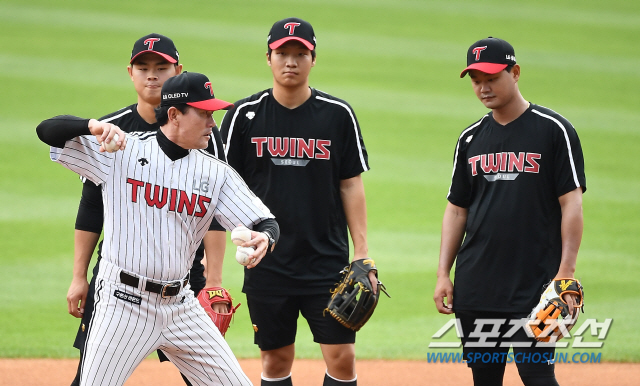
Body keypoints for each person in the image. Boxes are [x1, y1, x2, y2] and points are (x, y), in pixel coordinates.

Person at [37, 70, 279, 386]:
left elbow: (264, 221)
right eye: (205, 113)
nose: (212, 122)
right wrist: (91, 126)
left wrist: (265, 237)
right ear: (175, 114)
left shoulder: (216, 173)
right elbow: (47, 131)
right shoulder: (121, 151)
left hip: (182, 308)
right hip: (123, 304)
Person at [57, 33, 228, 386]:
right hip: (118, 277)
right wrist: (78, 276)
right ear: (130, 73)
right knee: (89, 375)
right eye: (143, 67)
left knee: (205, 374)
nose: (152, 75)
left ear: (177, 71)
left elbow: (215, 211)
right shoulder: (111, 128)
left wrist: (212, 282)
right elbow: (91, 208)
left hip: (183, 278)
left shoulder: (204, 130)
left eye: (161, 67)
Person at [220, 17, 375, 386]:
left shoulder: (337, 115)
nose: (291, 61)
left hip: (326, 262)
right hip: (267, 262)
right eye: (282, 53)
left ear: (313, 59)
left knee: (342, 358)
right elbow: (221, 187)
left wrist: (362, 253)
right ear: (269, 58)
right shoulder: (244, 115)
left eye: (300, 54)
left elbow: (351, 185)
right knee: (275, 361)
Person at [432, 37, 586, 386]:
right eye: (476, 80)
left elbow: (571, 203)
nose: (483, 88)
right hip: (476, 285)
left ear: (515, 73)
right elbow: (457, 210)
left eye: (492, 77)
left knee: (537, 376)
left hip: (534, 285)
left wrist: (565, 273)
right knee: (485, 379)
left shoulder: (553, 130)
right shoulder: (470, 139)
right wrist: (444, 272)